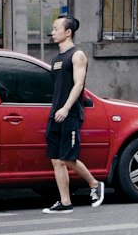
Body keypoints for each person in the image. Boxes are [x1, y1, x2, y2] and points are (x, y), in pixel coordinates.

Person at [43, 15, 105, 214]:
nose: (52, 32)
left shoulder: (77, 55)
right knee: (56, 160)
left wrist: (66, 108)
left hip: (69, 114)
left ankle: (95, 184)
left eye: (55, 29)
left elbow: (78, 85)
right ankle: (65, 202)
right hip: (56, 114)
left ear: (68, 32)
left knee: (68, 158)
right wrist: (56, 110)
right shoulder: (56, 59)